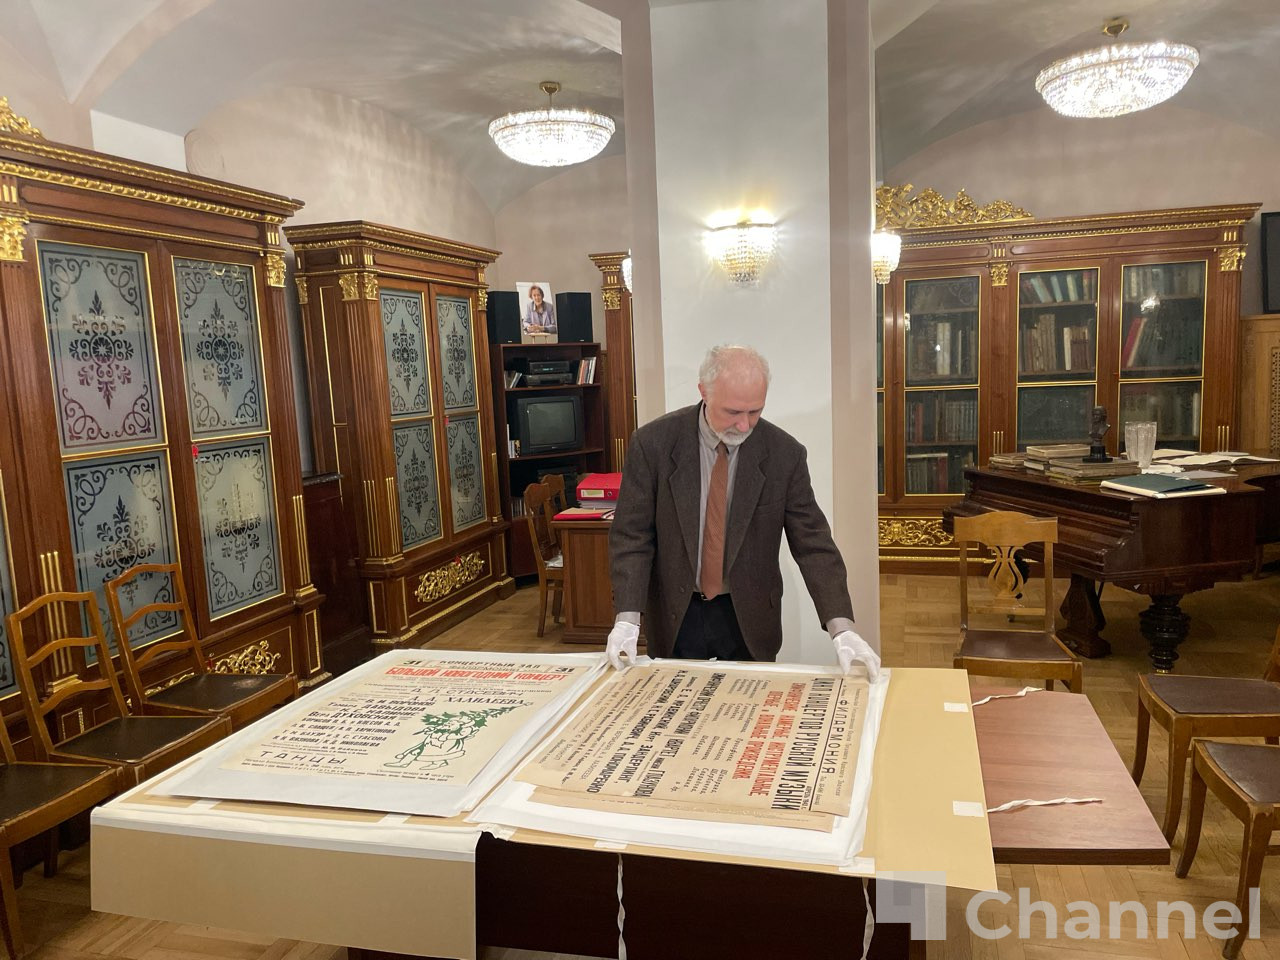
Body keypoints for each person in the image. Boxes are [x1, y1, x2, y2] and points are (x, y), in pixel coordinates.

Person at [606, 344, 878, 678]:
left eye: (755, 411)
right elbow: (632, 536)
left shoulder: (784, 454)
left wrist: (842, 627)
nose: (745, 425)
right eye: (733, 412)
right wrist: (628, 618)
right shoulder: (653, 444)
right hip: (676, 612)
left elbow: (813, 544)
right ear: (703, 392)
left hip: (748, 617)